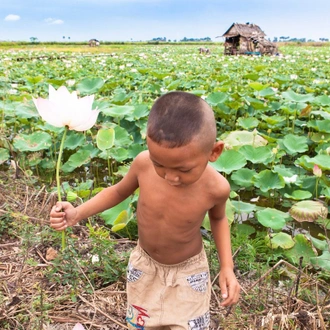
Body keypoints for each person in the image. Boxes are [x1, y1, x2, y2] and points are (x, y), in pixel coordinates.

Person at [49, 91, 240, 330]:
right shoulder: (142, 164)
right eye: (159, 164)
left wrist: (226, 267)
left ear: (214, 152)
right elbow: (118, 192)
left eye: (183, 169)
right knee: (141, 324)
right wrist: (78, 213)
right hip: (145, 265)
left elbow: (219, 219)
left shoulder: (216, 188)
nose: (170, 176)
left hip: (189, 271)